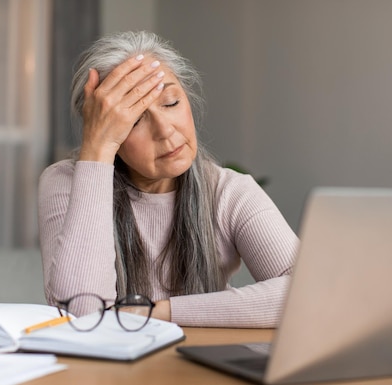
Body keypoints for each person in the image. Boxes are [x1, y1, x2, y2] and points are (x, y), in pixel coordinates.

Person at [38, 31, 298, 328]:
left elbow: (307, 294)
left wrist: (151, 312)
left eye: (171, 102)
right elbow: (81, 316)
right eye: (134, 120)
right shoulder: (65, 183)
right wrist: (97, 150)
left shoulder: (229, 191)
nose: (165, 130)